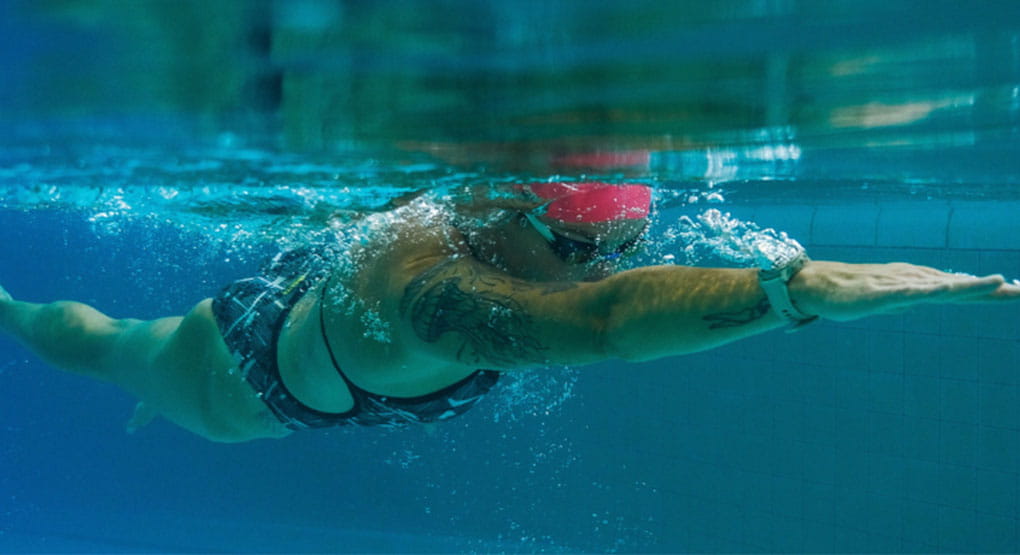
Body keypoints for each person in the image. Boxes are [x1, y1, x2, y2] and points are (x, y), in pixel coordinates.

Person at [1, 182, 1017, 442]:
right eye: (573, 248)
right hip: (244, 376)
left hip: (326, 295)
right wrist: (791, 294)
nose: (587, 272)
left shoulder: (475, 219)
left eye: (617, 252)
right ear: (503, 205)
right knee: (103, 346)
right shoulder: (441, 300)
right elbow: (607, 326)